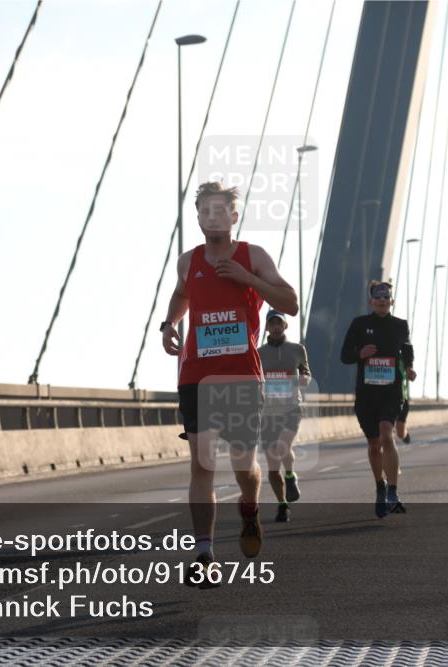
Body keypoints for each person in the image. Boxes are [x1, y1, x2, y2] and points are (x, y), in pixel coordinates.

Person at [161, 181, 298, 586]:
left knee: (244, 465)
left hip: (241, 376)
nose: (213, 217)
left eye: (221, 211)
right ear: (199, 217)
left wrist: (247, 278)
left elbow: (288, 302)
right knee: (202, 464)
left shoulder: (252, 256)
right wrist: (170, 324)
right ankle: (204, 552)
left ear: (234, 217)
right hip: (196, 375)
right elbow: (180, 294)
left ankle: (250, 508)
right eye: (205, 210)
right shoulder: (188, 261)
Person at [340, 280, 416, 517]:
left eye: (386, 297)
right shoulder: (360, 324)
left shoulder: (400, 325)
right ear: (371, 301)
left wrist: (410, 367)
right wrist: (360, 354)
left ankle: (393, 490)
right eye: (377, 297)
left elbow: (406, 350)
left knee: (387, 435)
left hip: (391, 391)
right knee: (374, 445)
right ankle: (380, 486)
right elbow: (345, 356)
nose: (382, 300)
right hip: (366, 394)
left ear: (391, 301)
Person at [257, 309, 311, 522]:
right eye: (272, 323)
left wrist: (305, 378)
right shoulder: (259, 353)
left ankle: (290, 476)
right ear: (268, 327)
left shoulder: (297, 350)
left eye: (280, 323)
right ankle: (282, 504)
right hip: (268, 411)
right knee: (271, 464)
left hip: (291, 408)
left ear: (286, 326)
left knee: (283, 446)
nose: (276, 327)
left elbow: (306, 371)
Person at [395, 349, 414, 444]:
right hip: (382, 398)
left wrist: (411, 373)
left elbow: (410, 372)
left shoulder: (402, 359)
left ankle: (405, 435)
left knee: (400, 433)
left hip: (401, 399)